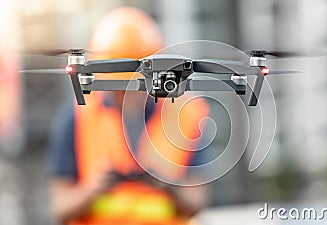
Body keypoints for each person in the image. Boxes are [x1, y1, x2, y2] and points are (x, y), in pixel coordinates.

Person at [49, 7, 209, 225]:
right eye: (121, 86)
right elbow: (60, 207)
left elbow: (197, 201)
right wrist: (93, 189)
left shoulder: (185, 115)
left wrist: (169, 185)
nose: (130, 94)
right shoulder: (76, 118)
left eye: (138, 85)